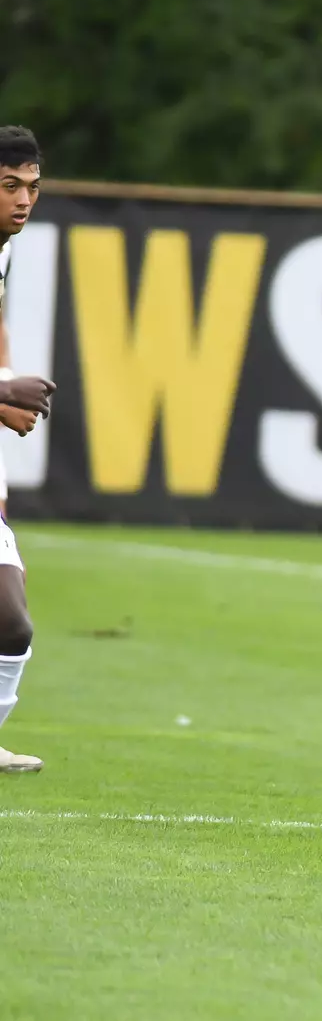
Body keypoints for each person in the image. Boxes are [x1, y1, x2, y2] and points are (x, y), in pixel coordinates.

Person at [0, 126, 62, 774]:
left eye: (33, 188)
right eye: (10, 186)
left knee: (12, 625)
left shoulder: (3, 251)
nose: (24, 200)